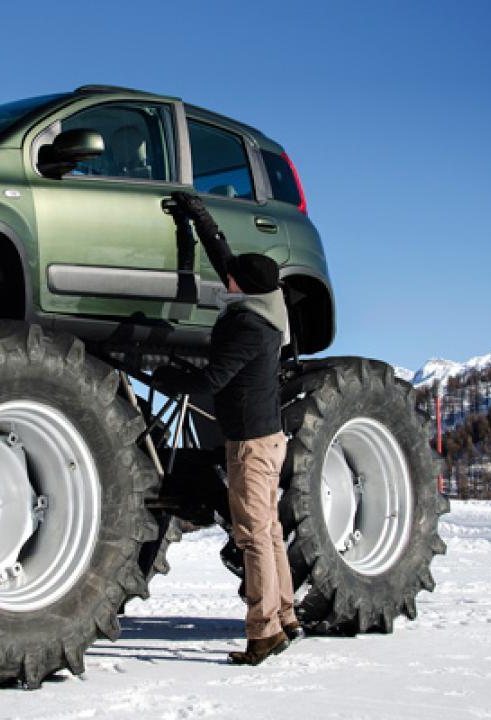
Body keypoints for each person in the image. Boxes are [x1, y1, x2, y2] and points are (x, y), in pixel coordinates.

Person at [154, 191, 301, 666]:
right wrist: (197, 215)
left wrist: (165, 374)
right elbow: (224, 257)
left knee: (253, 536)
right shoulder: (267, 302)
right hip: (269, 437)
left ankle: (263, 634)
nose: (226, 276)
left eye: (232, 278)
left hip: (251, 445)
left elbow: (211, 381)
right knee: (271, 531)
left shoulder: (248, 329)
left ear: (242, 288)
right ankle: (286, 616)